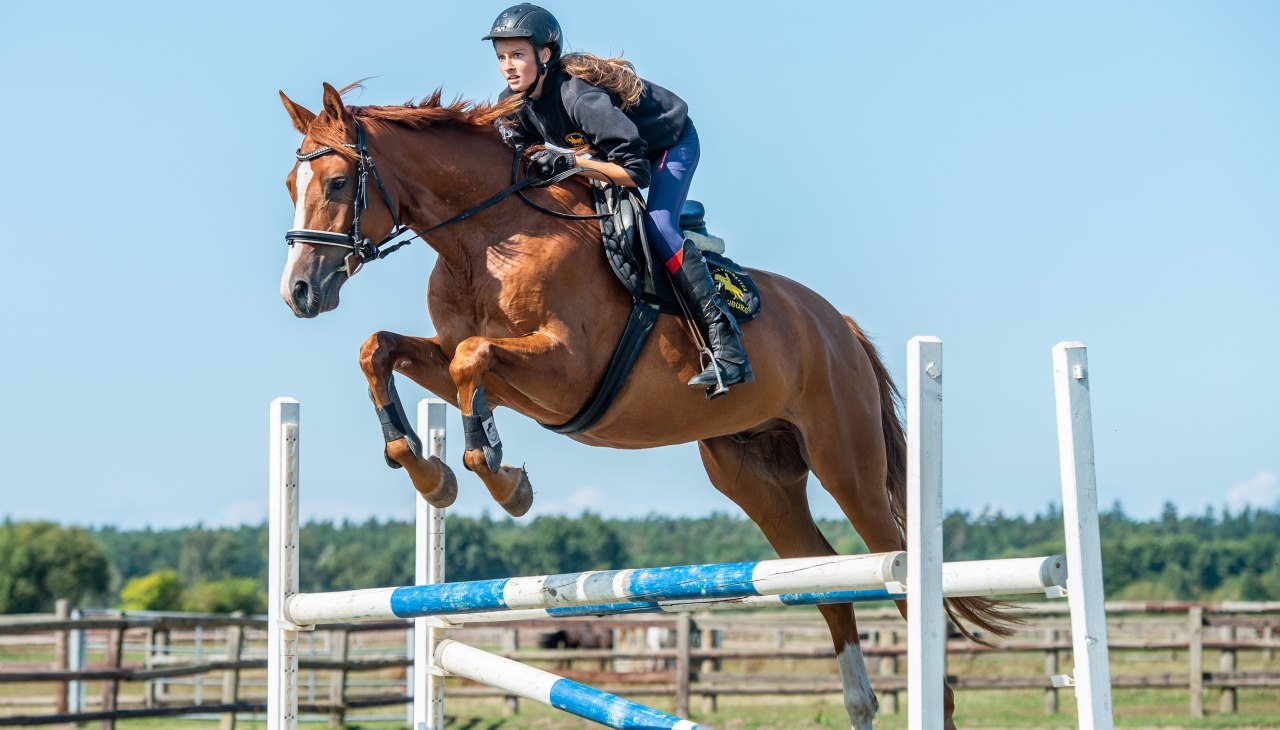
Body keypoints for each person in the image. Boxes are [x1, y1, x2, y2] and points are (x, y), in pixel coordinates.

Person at [483, 3, 752, 393]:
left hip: (665, 147)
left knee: (657, 226)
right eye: (501, 57)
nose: (508, 66)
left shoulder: (578, 97)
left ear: (544, 54)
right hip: (608, 154)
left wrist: (573, 164)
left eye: (518, 55)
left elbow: (636, 173)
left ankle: (727, 345)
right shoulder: (514, 104)